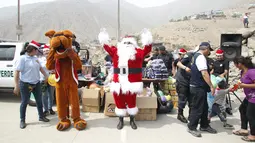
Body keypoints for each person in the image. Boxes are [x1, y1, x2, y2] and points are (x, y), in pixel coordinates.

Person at [98, 28, 152, 130]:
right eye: (125, 42)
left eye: (129, 43)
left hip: (132, 84)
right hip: (118, 83)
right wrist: (103, 38)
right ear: (122, 44)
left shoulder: (139, 53)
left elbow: (147, 49)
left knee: (132, 102)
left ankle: (132, 120)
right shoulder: (116, 51)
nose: (127, 44)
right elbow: (106, 47)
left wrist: (148, 39)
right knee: (119, 102)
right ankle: (121, 120)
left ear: (134, 44)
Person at [13, 40, 50, 129]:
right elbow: (17, 72)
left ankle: (41, 116)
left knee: (39, 101)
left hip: (36, 83)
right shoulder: (22, 59)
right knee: (24, 102)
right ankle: (22, 120)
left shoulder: (35, 58)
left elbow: (40, 68)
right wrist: (16, 85)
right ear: (32, 50)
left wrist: (46, 76)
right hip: (26, 84)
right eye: (36, 50)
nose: (37, 51)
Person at [188, 42, 217, 137]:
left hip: (199, 87)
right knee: (197, 108)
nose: (209, 53)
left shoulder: (196, 56)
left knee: (204, 107)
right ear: (206, 49)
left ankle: (204, 125)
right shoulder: (200, 57)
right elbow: (204, 73)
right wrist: (211, 86)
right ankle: (191, 127)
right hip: (198, 87)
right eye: (209, 50)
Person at [232, 56, 255, 142]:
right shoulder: (242, 72)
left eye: (235, 64)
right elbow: (242, 83)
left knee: (251, 115)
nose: (235, 66)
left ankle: (253, 135)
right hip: (249, 96)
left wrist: (243, 86)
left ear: (240, 64)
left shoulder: (252, 72)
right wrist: (235, 87)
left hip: (254, 97)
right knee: (242, 109)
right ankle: (244, 129)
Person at [174, 48, 193, 123]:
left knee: (191, 100)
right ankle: (180, 115)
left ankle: (191, 116)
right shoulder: (188, 57)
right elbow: (178, 63)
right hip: (182, 82)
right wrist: (185, 68)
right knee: (182, 98)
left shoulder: (196, 58)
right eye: (179, 54)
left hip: (190, 81)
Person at [39, 44, 56, 116]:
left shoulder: (53, 59)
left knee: (51, 95)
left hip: (51, 79)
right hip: (43, 79)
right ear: (43, 52)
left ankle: (50, 108)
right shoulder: (39, 60)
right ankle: (45, 110)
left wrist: (54, 71)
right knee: (44, 95)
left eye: (47, 51)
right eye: (45, 51)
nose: (46, 52)